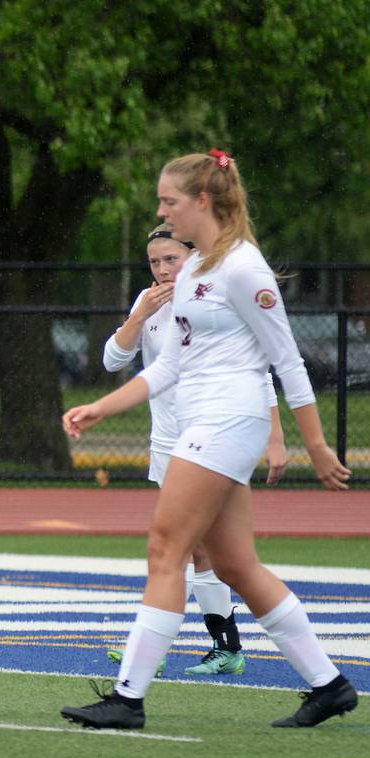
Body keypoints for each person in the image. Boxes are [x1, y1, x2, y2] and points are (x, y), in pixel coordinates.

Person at [61, 150, 356, 729]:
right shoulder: (195, 270)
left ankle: (128, 699)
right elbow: (167, 367)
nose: (161, 211)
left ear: (203, 201)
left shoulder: (244, 267)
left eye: (169, 200)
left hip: (228, 422)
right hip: (204, 425)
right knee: (235, 564)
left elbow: (288, 361)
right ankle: (331, 684)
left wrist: (315, 444)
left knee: (165, 547)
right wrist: (103, 405)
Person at [100, 226, 288, 676]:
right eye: (154, 262)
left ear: (193, 255)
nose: (162, 270)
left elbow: (258, 372)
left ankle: (157, 650)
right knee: (201, 552)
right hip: (168, 446)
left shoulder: (214, 299)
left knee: (183, 549)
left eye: (171, 259)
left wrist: (276, 438)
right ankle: (227, 648)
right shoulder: (149, 303)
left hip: (212, 438)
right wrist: (137, 317)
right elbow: (113, 360)